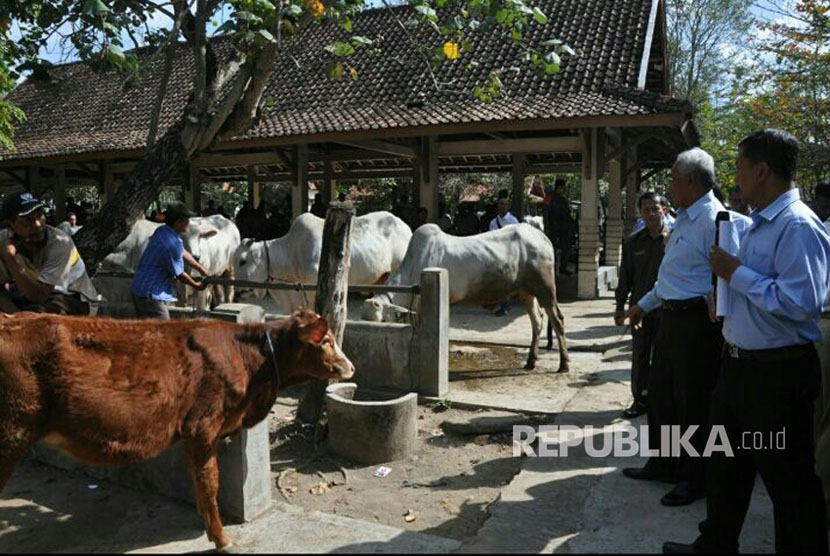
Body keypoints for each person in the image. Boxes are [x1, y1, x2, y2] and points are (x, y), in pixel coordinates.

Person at [664, 130, 830, 554]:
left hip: (777, 375)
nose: (734, 181)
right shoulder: (758, 224)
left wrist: (736, 273)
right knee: (726, 467)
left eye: (739, 170)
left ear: (762, 171)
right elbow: (758, 290)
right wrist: (722, 300)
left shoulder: (797, 226)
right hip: (739, 368)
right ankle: (716, 543)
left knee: (787, 479)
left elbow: (801, 303)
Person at [624, 148, 751, 507]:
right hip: (670, 318)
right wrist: (643, 306)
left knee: (693, 404)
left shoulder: (715, 219)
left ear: (690, 181)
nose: (670, 186)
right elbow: (672, 277)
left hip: (697, 324)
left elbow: (726, 272)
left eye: (674, 179)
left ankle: (694, 478)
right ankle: (664, 463)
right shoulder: (684, 218)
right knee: (662, 396)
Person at [614, 192, 669, 419]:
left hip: (668, 311)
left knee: (664, 357)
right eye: (645, 210)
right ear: (640, 213)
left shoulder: (674, 240)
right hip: (640, 312)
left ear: (664, 209)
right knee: (640, 356)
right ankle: (640, 399)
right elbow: (625, 278)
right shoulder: (632, 242)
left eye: (655, 209)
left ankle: (661, 399)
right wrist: (620, 307)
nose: (650, 214)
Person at [0, 192, 98, 315]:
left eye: (39, 215)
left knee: (39, 321)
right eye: (27, 220)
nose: (37, 224)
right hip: (27, 296)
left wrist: (12, 260)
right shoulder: (2, 240)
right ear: (10, 226)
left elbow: (39, 295)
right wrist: (13, 312)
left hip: (71, 297)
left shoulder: (59, 243)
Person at [131, 203, 210, 319]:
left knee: (148, 331)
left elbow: (182, 252)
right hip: (151, 294)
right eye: (187, 220)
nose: (189, 223)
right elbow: (179, 274)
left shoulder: (163, 231)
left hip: (139, 289)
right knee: (164, 330)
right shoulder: (170, 245)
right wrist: (196, 285)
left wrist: (200, 268)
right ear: (178, 222)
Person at [547, 179, 574, 275]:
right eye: (564, 187)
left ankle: (562, 268)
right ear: (560, 187)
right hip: (554, 228)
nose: (565, 189)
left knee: (565, 249)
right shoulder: (550, 197)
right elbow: (547, 212)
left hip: (562, 229)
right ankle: (553, 269)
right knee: (552, 250)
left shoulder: (562, 200)